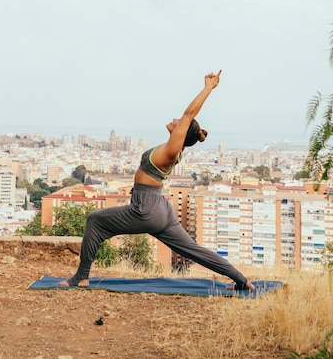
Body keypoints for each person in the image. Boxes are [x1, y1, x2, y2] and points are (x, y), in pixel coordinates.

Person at [58, 71, 255, 291]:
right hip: (160, 208)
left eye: (178, 122)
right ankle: (242, 281)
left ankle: (81, 277)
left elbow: (189, 114)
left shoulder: (172, 149)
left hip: (146, 209)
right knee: (193, 249)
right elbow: (186, 120)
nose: (175, 120)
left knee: (95, 221)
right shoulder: (173, 150)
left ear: (182, 132)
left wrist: (208, 88)